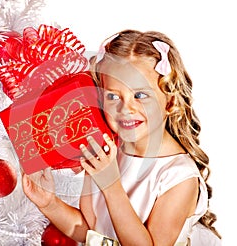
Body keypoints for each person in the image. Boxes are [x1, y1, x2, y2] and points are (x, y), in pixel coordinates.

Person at [22, 29, 221, 245]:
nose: (125, 108)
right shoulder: (107, 152)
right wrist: (49, 203)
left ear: (171, 102)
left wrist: (111, 185)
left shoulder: (178, 177)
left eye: (140, 95)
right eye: (113, 96)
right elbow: (91, 232)